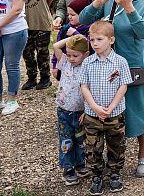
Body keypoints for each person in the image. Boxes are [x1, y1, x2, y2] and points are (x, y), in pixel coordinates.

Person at [79, 0, 144, 178]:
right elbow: (83, 20)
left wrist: (130, 8)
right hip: (103, 68)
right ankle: (110, 157)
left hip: (132, 65)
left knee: (138, 112)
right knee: (106, 112)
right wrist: (98, 2)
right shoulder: (110, 0)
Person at [79, 20, 131, 195]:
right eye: (92, 40)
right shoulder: (87, 62)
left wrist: (110, 108)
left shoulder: (120, 62)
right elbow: (84, 86)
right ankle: (97, 175)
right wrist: (94, 107)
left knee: (116, 145)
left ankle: (115, 173)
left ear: (111, 40)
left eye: (99, 39)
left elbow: (123, 85)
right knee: (93, 147)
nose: (94, 44)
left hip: (114, 114)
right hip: (92, 115)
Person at [53, 35, 90, 186]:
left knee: (81, 139)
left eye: (75, 55)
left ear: (85, 55)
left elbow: (91, 91)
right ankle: (68, 168)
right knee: (66, 140)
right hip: (64, 110)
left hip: (80, 111)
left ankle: (81, 164)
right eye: (69, 55)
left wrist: (87, 111)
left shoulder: (87, 67)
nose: (71, 58)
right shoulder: (65, 63)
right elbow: (56, 46)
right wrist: (74, 37)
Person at [19, 0, 55, 91]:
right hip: (22, 21)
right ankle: (31, 78)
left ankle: (45, 78)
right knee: (27, 52)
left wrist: (40, 8)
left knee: (42, 52)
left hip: (41, 20)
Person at [51, 0, 92, 80]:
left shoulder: (91, 29)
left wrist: (75, 33)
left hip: (85, 68)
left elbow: (90, 44)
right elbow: (57, 48)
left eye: (73, 15)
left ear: (83, 15)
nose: (69, 17)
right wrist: (55, 65)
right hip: (67, 65)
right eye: (68, 14)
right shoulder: (65, 29)